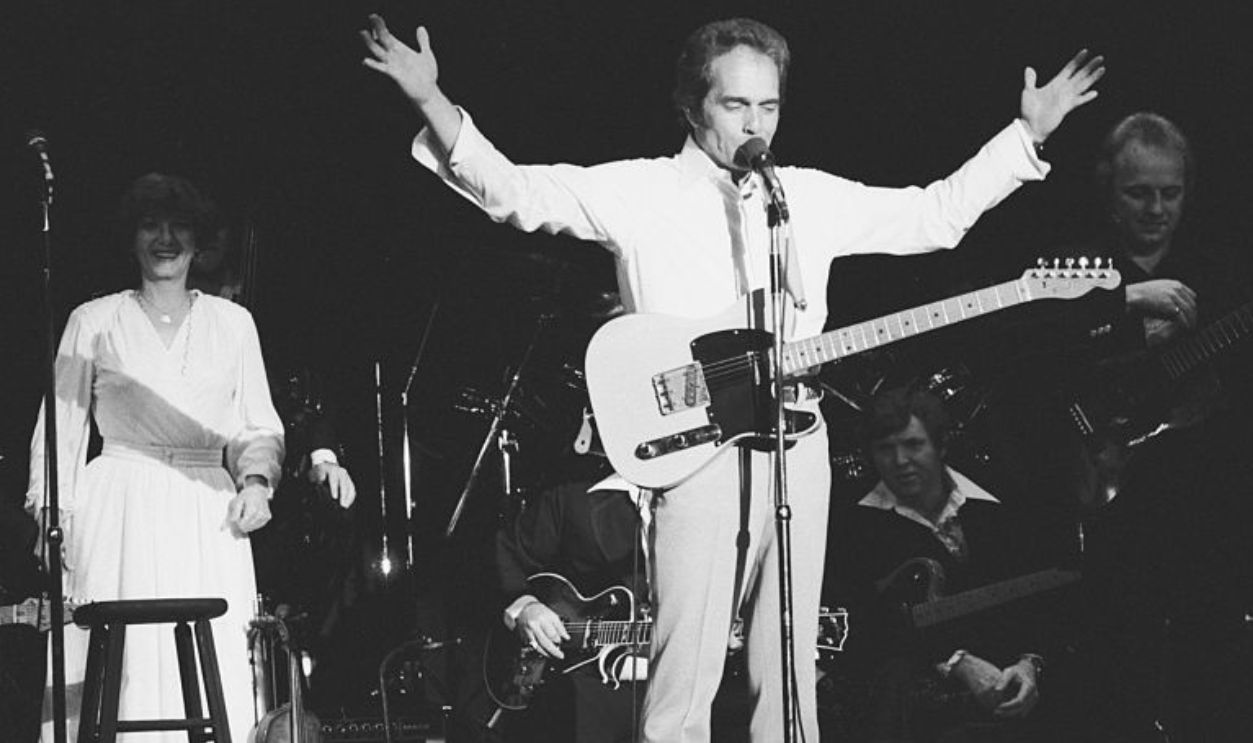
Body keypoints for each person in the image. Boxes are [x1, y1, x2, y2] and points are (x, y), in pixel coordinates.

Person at [359, 14, 1103, 741]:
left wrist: (1025, 134)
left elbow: (935, 215)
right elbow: (518, 194)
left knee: (788, 671)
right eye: (735, 103)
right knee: (683, 674)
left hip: (797, 440)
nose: (756, 123)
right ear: (692, 104)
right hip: (697, 448)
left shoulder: (803, 196)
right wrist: (431, 100)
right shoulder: (641, 191)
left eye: (769, 105)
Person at [26, 173, 285, 741]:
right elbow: (61, 431)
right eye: (150, 225)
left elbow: (255, 423)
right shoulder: (93, 320)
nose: (164, 239)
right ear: (131, 239)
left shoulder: (233, 324)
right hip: (121, 506)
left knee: (208, 659)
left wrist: (256, 482)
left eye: (178, 226)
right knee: (123, 663)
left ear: (199, 241)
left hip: (206, 509)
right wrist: (56, 519)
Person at [826, 388, 1063, 742]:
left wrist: (1030, 664)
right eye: (885, 449)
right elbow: (864, 637)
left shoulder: (1000, 503)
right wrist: (957, 663)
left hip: (1022, 693)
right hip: (919, 714)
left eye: (912, 444)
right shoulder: (853, 530)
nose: (901, 460)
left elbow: (1043, 600)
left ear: (940, 445)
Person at [494, 454, 649, 743]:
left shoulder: (721, 499)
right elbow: (507, 552)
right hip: (587, 688)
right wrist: (526, 607)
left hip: (682, 686)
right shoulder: (572, 496)